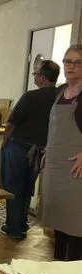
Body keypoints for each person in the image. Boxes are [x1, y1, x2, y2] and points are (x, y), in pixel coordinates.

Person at [0, 60, 60, 241]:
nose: (34, 76)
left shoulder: (30, 97)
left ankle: (13, 228)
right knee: (27, 187)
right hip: (40, 150)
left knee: (13, 187)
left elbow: (10, 124)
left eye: (36, 73)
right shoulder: (60, 97)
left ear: (42, 77)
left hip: (19, 148)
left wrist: (4, 142)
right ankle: (22, 223)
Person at [41, 45, 82, 261]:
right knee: (59, 226)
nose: (71, 66)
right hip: (56, 168)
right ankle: (57, 270)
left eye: (77, 62)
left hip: (76, 171)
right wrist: (49, 148)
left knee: (76, 227)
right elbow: (54, 127)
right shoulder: (60, 92)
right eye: (68, 61)